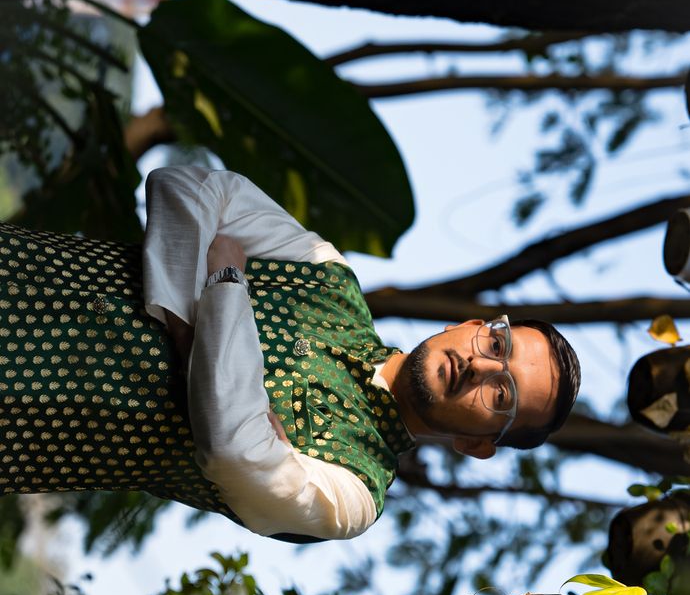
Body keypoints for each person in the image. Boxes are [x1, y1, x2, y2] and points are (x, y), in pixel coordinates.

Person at [0, 165, 580, 542]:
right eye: (497, 343)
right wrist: (192, 342)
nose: (481, 366)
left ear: (477, 445)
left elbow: (232, 451)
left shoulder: (353, 492)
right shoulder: (328, 277)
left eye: (500, 393)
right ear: (472, 324)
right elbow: (188, 186)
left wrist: (226, 281)